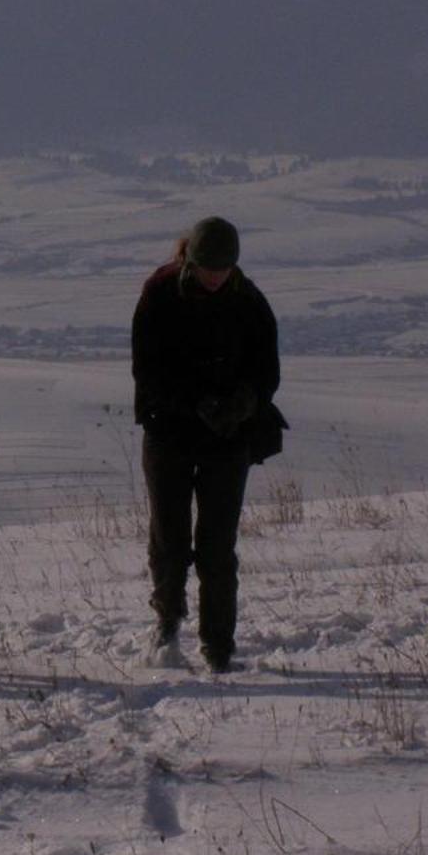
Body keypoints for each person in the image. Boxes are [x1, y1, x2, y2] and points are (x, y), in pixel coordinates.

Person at [131, 216, 281, 672]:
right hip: (169, 433)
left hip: (227, 440)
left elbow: (267, 372)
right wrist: (196, 403)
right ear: (189, 261)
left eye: (224, 269)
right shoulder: (159, 294)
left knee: (218, 544)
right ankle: (168, 623)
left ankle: (218, 644)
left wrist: (241, 405)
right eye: (207, 269)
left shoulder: (249, 301)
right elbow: (147, 371)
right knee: (169, 539)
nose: (215, 278)